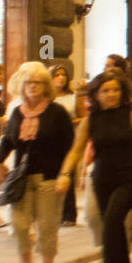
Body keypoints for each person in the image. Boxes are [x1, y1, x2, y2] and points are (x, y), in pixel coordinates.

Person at [55, 71, 132, 263]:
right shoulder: (90, 120)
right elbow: (75, 150)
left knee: (113, 222)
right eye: (106, 90)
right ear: (96, 94)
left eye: (116, 90)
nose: (112, 94)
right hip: (102, 180)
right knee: (111, 229)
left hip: (130, 179)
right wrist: (65, 174)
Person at [0, 63, 74, 263]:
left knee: (47, 227)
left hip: (49, 178)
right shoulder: (17, 112)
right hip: (22, 179)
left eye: (38, 83)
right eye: (29, 83)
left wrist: (66, 174)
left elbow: (70, 146)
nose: (32, 87)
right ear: (22, 86)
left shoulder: (57, 112)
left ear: (45, 87)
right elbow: (8, 141)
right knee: (20, 225)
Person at [50, 65, 80, 227]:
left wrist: (67, 122)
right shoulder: (47, 98)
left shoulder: (73, 97)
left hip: (69, 139)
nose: (61, 77)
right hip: (51, 142)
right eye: (57, 75)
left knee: (68, 173)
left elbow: (82, 118)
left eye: (63, 75)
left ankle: (69, 214)